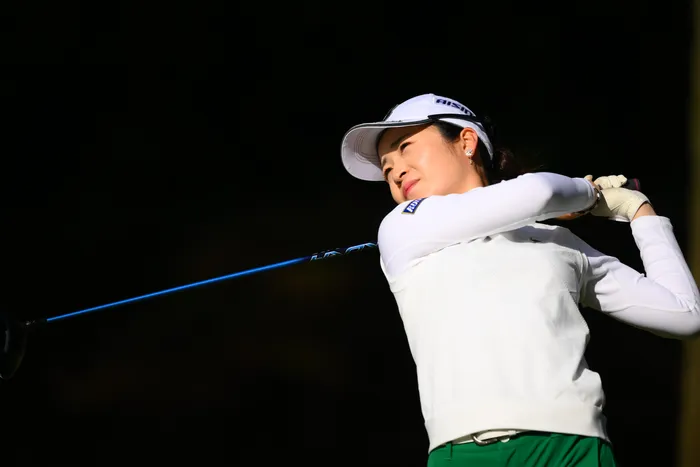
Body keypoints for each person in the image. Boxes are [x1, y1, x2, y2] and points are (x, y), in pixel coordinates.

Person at [339, 93, 700, 466]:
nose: (396, 171)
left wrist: (640, 211)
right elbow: (541, 192)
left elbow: (685, 314)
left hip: (574, 450)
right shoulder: (401, 228)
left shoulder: (556, 240)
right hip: (463, 454)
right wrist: (589, 195)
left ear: (466, 141)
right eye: (386, 168)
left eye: (405, 148)